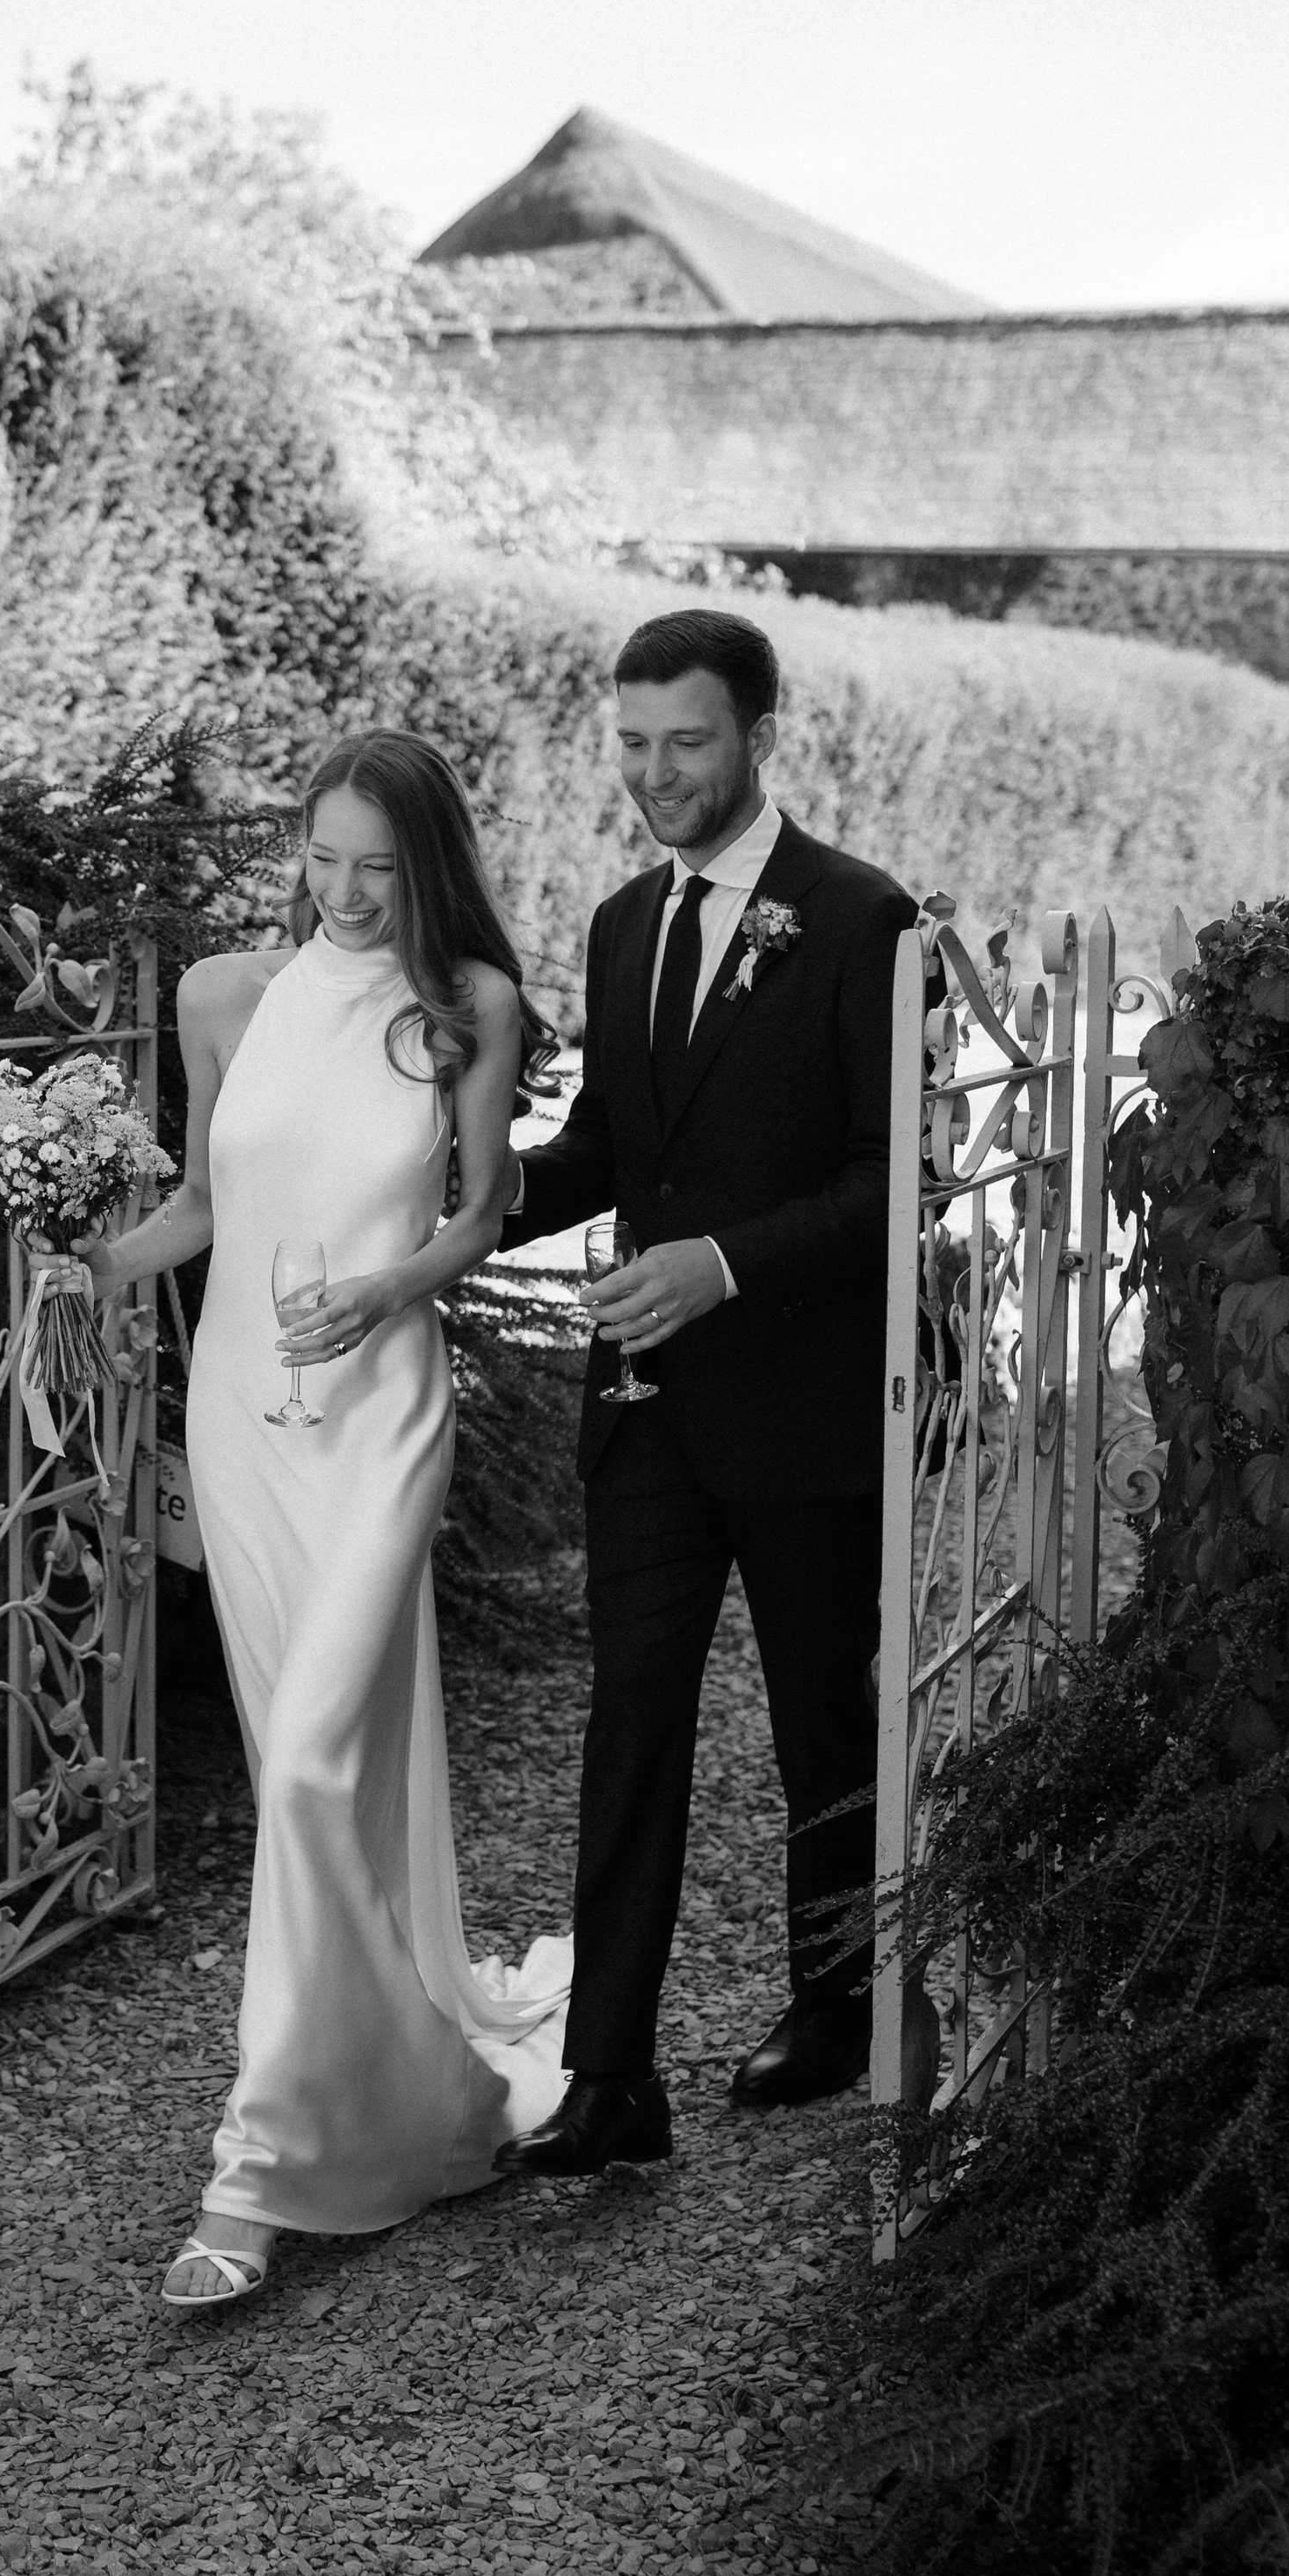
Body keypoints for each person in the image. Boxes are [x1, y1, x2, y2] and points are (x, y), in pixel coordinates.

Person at [81, 729, 573, 2306]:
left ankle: (257, 2169)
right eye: (323, 854)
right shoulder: (222, 994)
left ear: (428, 864)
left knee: (299, 1768)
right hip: (240, 1411)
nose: (347, 890)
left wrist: (387, 1288)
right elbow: (208, 1208)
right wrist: (83, 1259)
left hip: (380, 1413)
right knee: (316, 1769)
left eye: (380, 862)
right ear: (295, 848)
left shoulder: (468, 1012)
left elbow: (483, 1211)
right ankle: (395, 2076)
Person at [492, 607, 916, 2184]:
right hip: (650, 1408)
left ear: (756, 735)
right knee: (631, 1725)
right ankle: (610, 2077)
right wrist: (465, 1193)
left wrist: (722, 1265)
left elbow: (898, 1181)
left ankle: (839, 2003)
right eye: (632, 745)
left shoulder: (860, 918)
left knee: (824, 1724)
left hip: (804, 1408)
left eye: (687, 742)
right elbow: (613, 1144)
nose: (656, 774)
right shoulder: (618, 922)